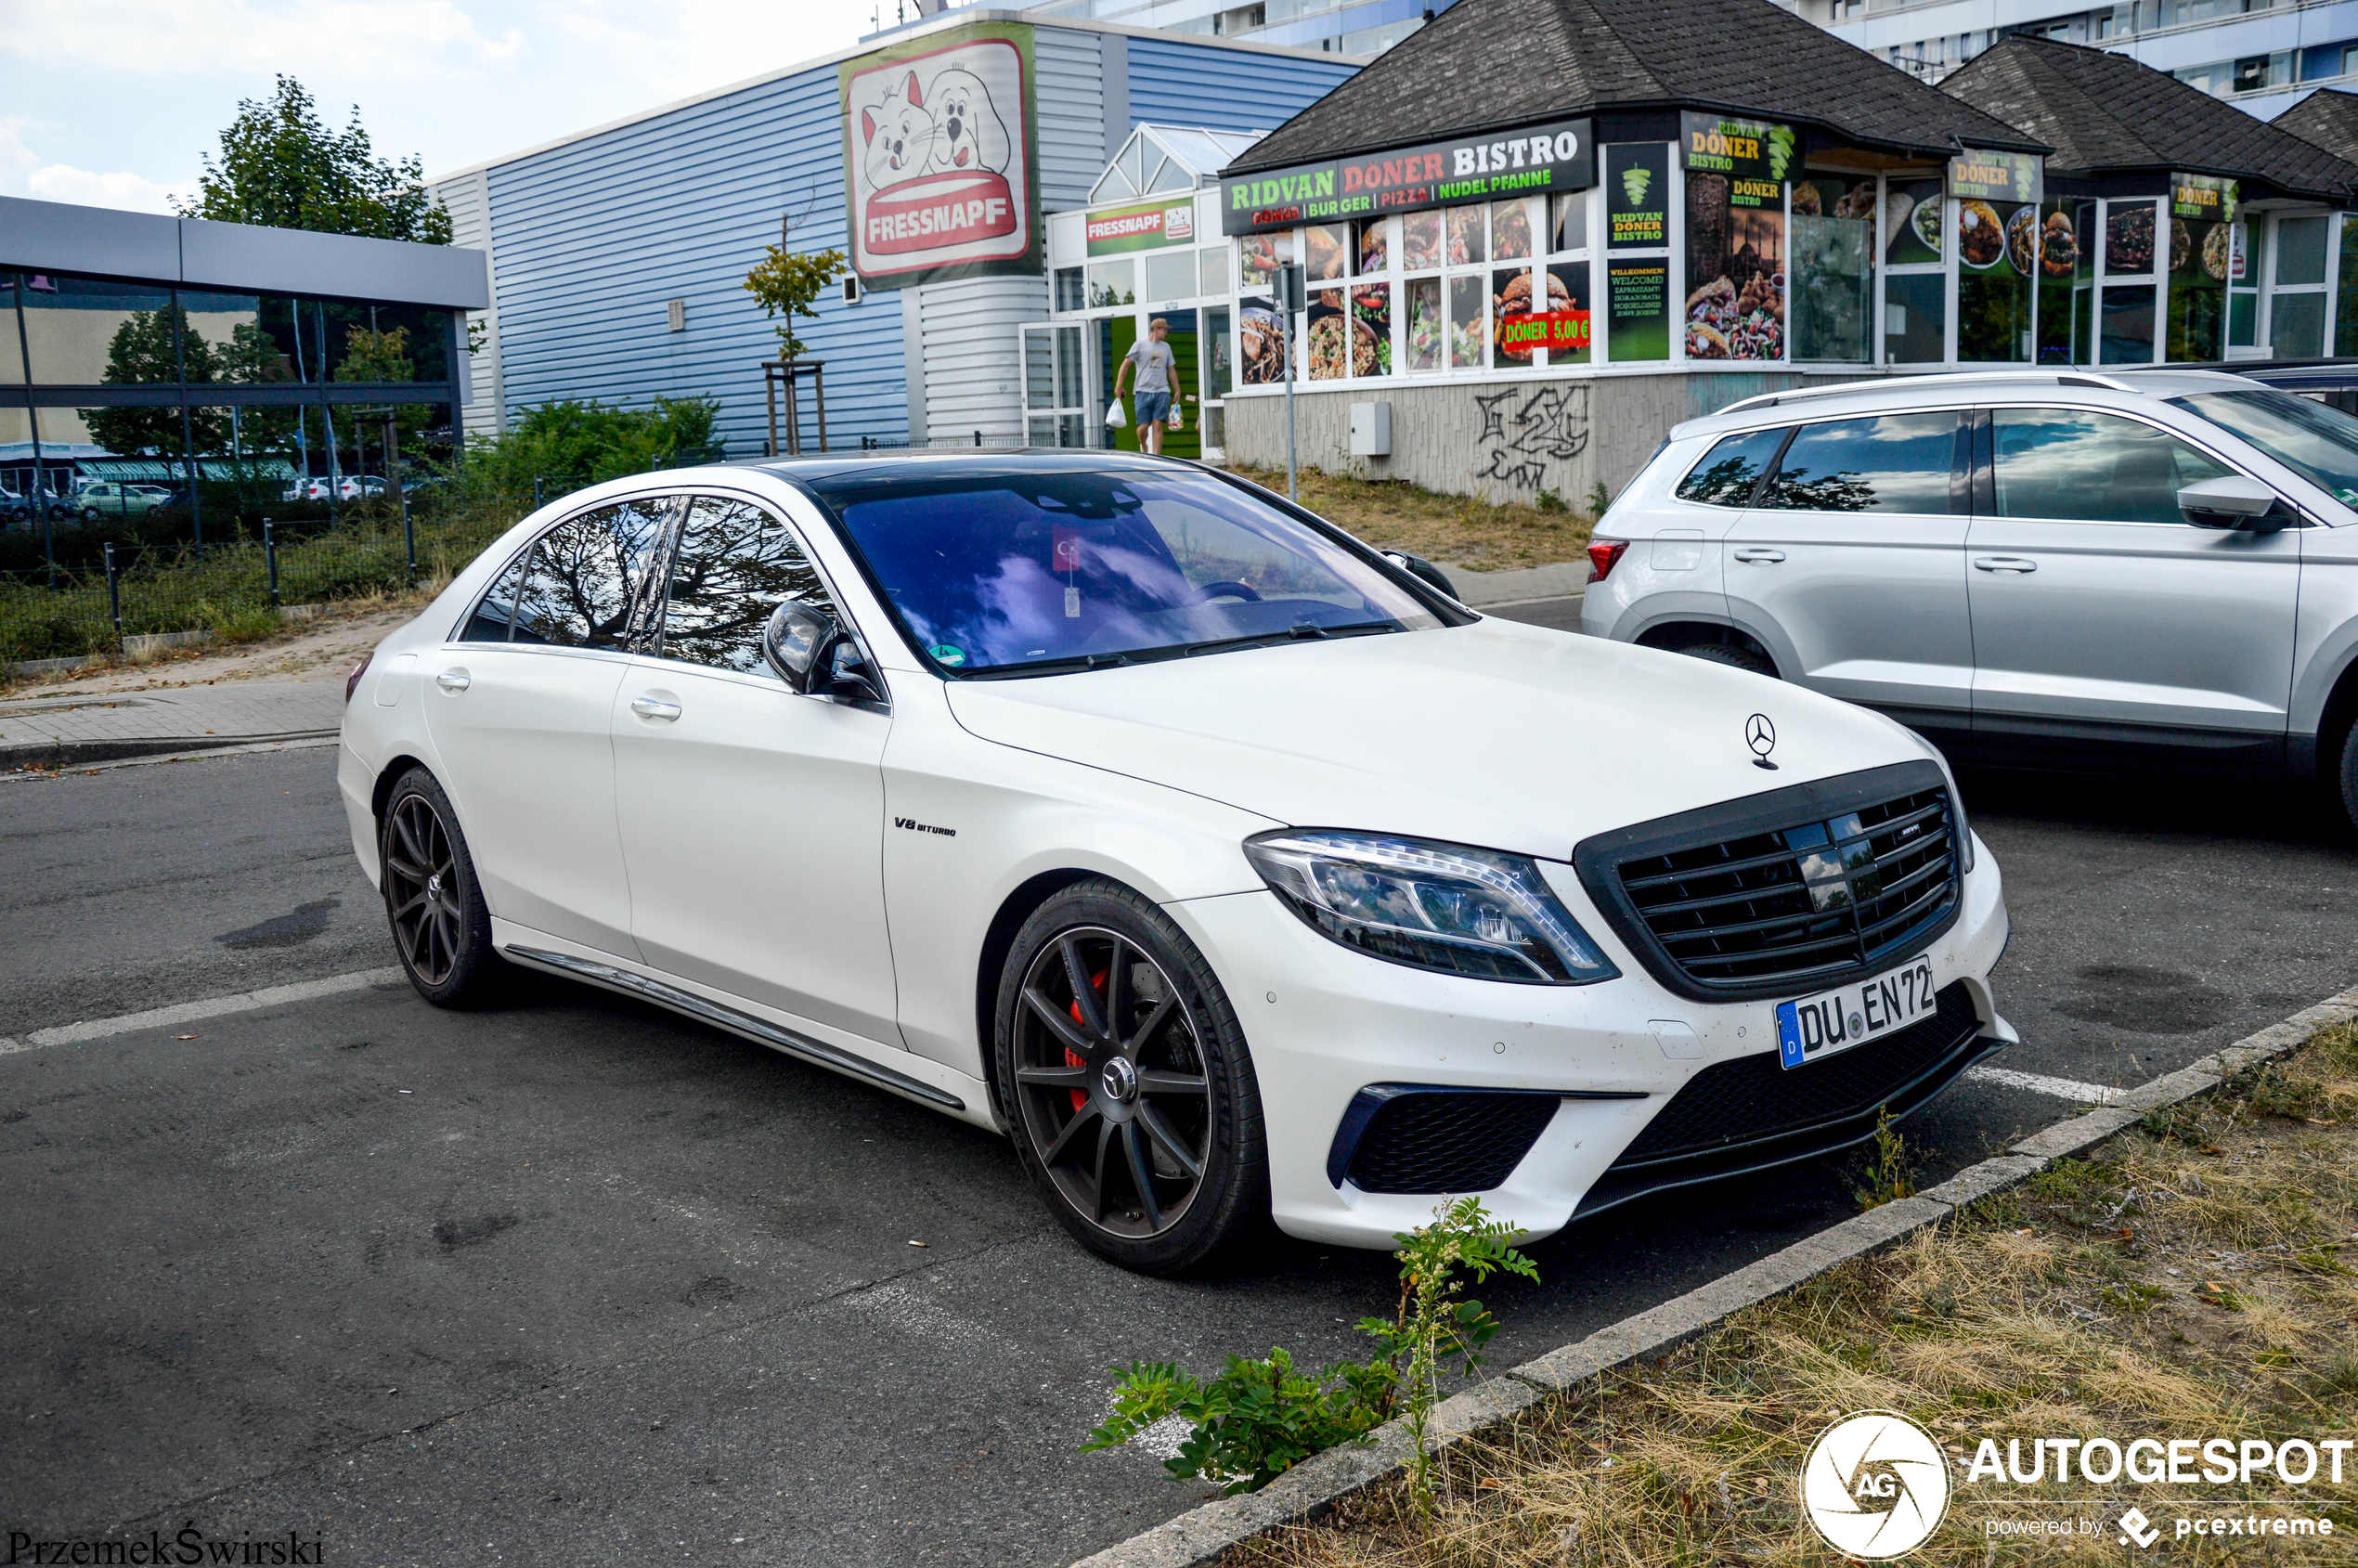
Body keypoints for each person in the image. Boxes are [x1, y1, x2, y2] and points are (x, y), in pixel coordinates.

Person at [1112, 317, 1177, 456]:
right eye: (1164, 330)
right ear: (1156, 329)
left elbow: (1171, 369)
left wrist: (1177, 389)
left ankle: (1156, 456)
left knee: (1158, 424)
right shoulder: (1140, 345)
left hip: (1162, 390)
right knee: (1143, 427)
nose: (1166, 333)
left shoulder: (1166, 347)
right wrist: (1119, 385)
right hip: (1143, 391)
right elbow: (1126, 365)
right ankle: (1144, 445)